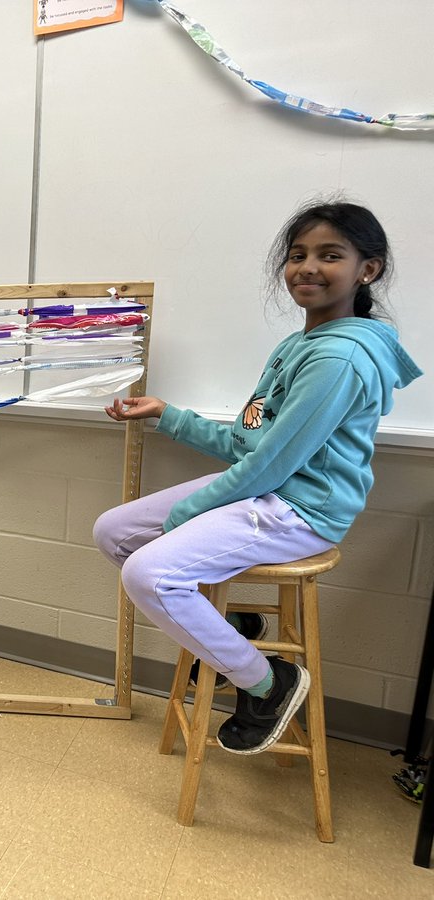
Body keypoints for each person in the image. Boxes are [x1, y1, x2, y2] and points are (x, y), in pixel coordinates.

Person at [93, 201, 422, 755]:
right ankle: (232, 628)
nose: (307, 268)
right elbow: (251, 444)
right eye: (297, 255)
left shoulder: (339, 358)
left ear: (368, 270)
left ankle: (268, 683)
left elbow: (269, 466)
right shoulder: (298, 346)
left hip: (303, 509)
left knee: (149, 574)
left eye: (330, 255)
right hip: (267, 488)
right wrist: (167, 414)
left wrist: (183, 517)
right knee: (113, 531)